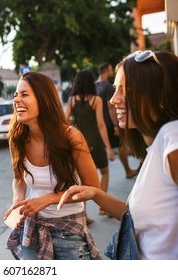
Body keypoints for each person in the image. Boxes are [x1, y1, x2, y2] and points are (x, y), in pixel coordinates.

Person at [58, 50, 178, 259]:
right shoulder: (157, 147)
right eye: (116, 89)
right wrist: (95, 194)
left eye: (125, 89)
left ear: (158, 95)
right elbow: (135, 218)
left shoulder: (172, 138)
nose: (114, 99)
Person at [4, 71, 101, 260]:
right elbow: (18, 178)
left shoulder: (71, 137)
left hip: (69, 231)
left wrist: (50, 198)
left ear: (44, 99)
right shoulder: (17, 139)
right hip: (33, 229)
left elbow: (93, 188)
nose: (17, 100)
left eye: (24, 94)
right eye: (16, 95)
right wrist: (17, 200)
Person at [64, 69, 115, 218]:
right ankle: (103, 207)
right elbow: (100, 125)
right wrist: (109, 148)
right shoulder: (96, 100)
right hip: (96, 143)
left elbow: (65, 120)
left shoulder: (72, 100)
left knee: (82, 180)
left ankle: (84, 215)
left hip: (79, 145)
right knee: (104, 172)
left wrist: (75, 124)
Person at [96, 62, 138, 179]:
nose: (112, 72)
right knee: (121, 146)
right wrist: (116, 125)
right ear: (105, 71)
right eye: (110, 70)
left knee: (110, 148)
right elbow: (111, 107)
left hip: (100, 123)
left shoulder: (95, 85)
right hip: (111, 122)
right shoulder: (107, 86)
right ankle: (128, 170)